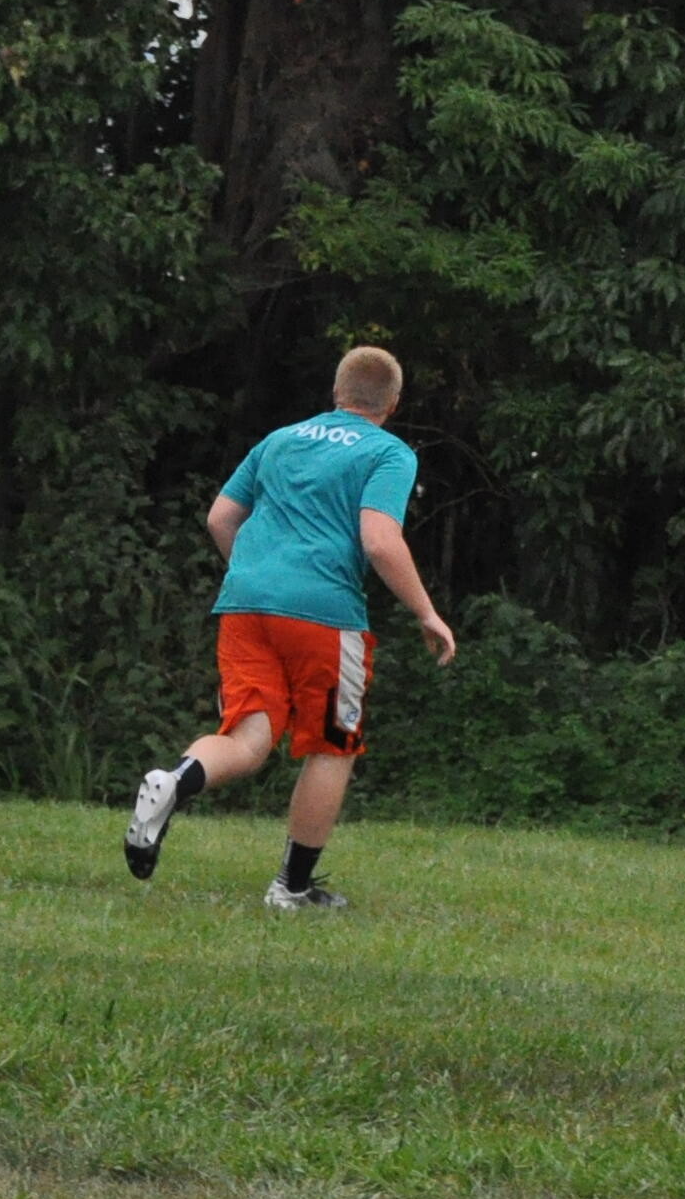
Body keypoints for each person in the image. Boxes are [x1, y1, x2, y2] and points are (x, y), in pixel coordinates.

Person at [124, 345, 458, 909]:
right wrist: (427, 612)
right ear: (394, 403)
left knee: (246, 740)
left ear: (336, 391)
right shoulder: (388, 452)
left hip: (245, 603)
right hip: (324, 612)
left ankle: (174, 780)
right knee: (333, 746)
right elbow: (379, 540)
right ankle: (292, 888)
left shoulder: (280, 440)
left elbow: (220, 518)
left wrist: (255, 578)